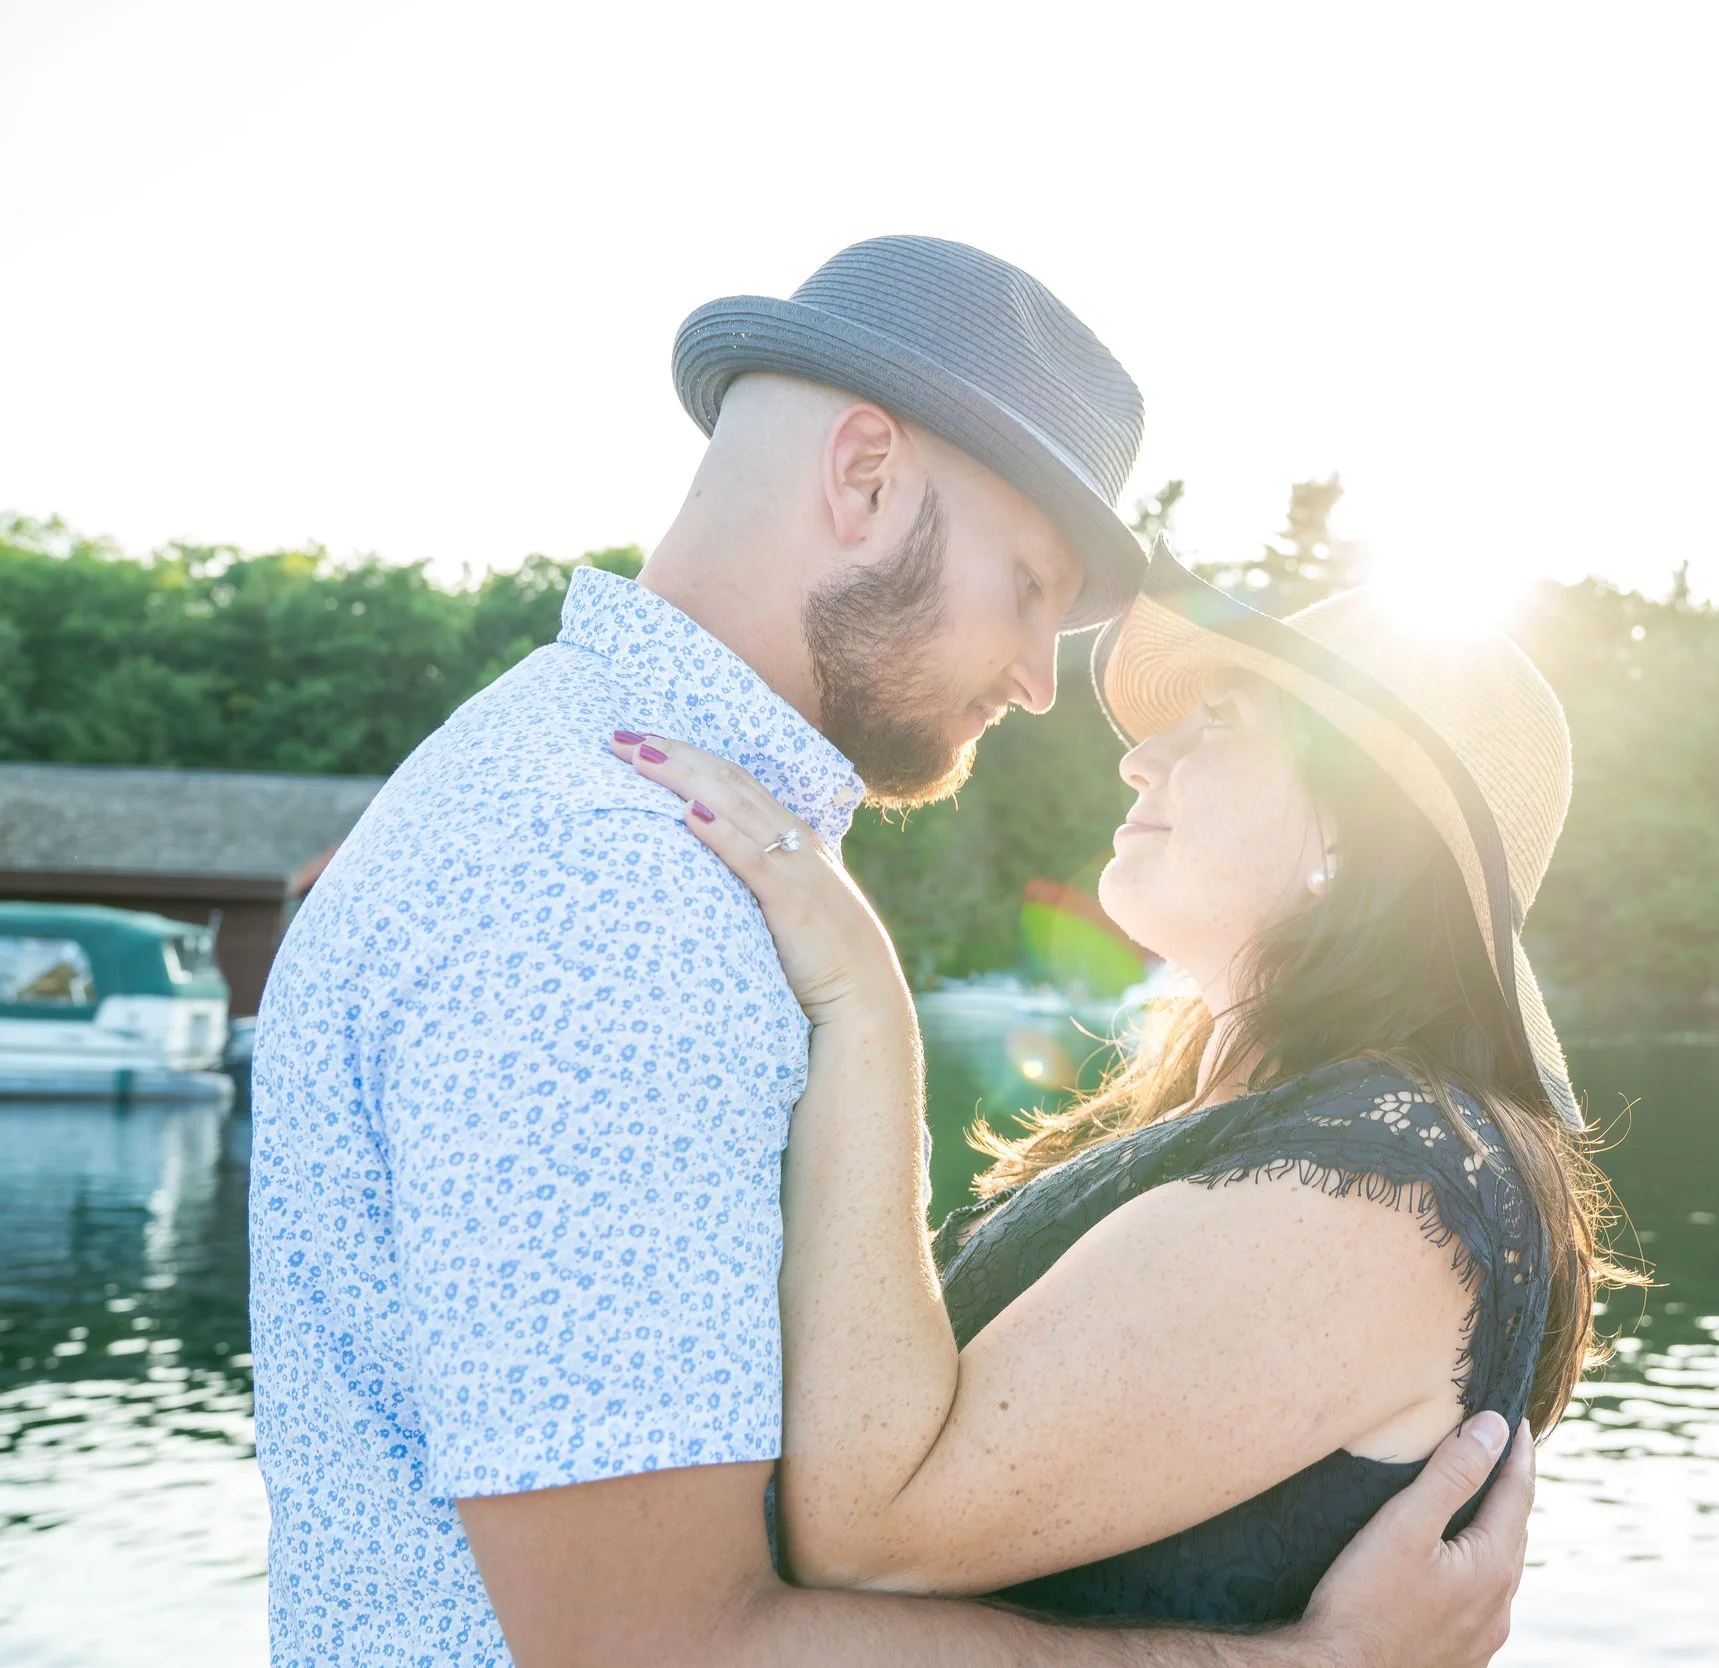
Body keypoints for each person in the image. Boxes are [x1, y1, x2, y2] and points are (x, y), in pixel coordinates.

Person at [248, 237, 1527, 1666]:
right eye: (1033, 588)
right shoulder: (609, 895)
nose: (1048, 687)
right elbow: (656, 1649)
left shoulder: (589, 813)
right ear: (864, 478)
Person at [612, 540, 1628, 1624]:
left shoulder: (1388, 1187)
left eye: (1222, 722)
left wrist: (866, 1006)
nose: (1142, 760)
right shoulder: (1263, 1122)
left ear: (1347, 822)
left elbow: (872, 1528)